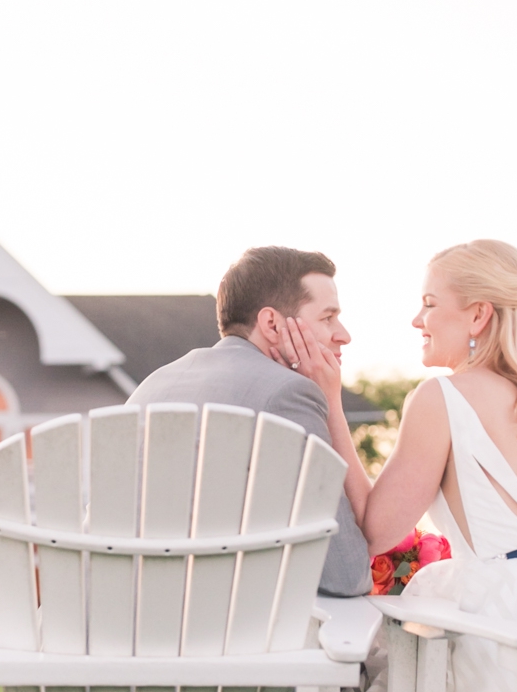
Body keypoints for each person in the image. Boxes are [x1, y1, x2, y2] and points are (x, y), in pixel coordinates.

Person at [277, 238, 517, 692]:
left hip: (513, 643)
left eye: (431, 304)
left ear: (478, 315)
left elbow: (378, 532)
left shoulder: (444, 397)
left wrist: (329, 401)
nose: (419, 320)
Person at [127, 246, 371, 597]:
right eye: (327, 318)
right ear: (272, 324)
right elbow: (347, 576)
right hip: (213, 631)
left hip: (109, 620)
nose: (343, 334)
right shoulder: (288, 395)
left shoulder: (154, 384)